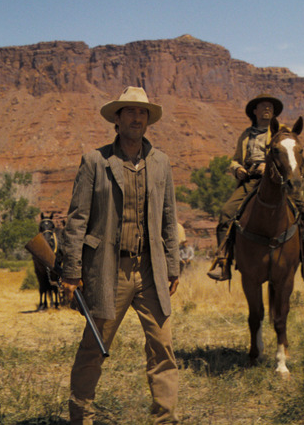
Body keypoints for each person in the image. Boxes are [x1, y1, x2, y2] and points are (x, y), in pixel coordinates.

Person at [60, 86, 181, 424]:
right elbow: (77, 220)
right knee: (93, 347)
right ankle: (80, 417)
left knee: (163, 350)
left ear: (148, 120)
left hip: (150, 270)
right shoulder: (95, 161)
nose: (136, 117)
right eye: (129, 111)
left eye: (142, 112)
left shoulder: (161, 163)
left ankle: (164, 419)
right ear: (117, 118)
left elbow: (169, 218)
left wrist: (172, 267)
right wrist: (72, 271)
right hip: (108, 271)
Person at [207, 93, 304, 281]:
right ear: (254, 111)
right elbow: (235, 159)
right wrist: (238, 168)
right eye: (263, 106)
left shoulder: (282, 132)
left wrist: (269, 165)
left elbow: (291, 155)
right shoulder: (246, 135)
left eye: (270, 107)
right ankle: (223, 261)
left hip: (277, 181)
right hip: (251, 180)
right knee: (226, 212)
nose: (267, 109)